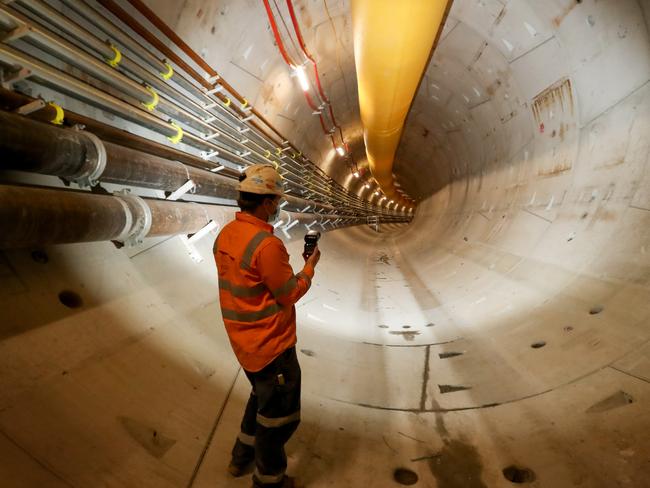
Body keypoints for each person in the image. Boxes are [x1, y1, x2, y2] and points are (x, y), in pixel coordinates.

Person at [213, 164, 320, 488]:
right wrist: (309, 268)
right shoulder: (266, 245)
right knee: (279, 421)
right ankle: (269, 480)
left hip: (244, 345)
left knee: (260, 401)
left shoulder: (226, 234)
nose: (277, 206)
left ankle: (239, 458)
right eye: (276, 200)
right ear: (267, 203)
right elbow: (288, 294)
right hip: (272, 348)